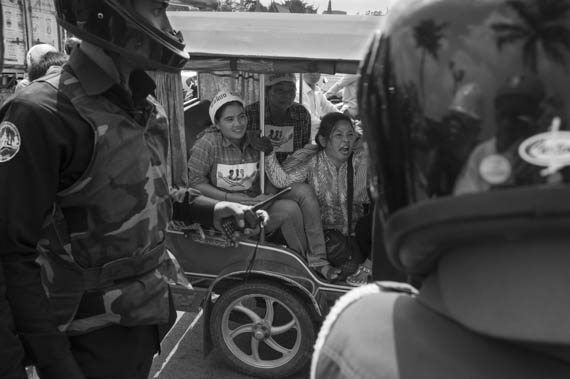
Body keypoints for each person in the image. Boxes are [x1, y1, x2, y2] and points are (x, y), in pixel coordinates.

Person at [0, 1, 263, 378]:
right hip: (83, 339)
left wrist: (211, 209)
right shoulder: (42, 113)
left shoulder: (144, 105)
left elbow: (146, 192)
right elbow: (11, 253)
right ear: (106, 13)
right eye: (154, 8)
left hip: (142, 318)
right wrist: (55, 364)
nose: (165, 26)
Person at [312, 0, 570, 378]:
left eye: (524, 110)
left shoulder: (367, 334)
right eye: (510, 109)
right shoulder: (484, 154)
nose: (517, 119)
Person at [188, 91, 338, 280]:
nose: (238, 124)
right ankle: (305, 271)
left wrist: (267, 154)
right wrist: (230, 199)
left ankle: (318, 261)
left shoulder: (253, 139)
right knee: (290, 210)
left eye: (242, 117)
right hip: (232, 210)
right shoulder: (208, 143)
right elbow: (195, 183)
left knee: (304, 191)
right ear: (217, 124)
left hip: (258, 199)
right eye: (229, 119)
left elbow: (265, 177)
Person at [265, 112, 371, 286]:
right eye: (338, 135)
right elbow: (282, 181)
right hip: (326, 240)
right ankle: (319, 264)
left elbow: (363, 197)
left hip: (352, 243)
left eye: (350, 135)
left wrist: (365, 153)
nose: (346, 141)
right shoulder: (312, 163)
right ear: (323, 141)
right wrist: (269, 154)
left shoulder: (359, 161)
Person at [246, 72, 312, 163]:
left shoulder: (301, 113)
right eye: (280, 90)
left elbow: (306, 150)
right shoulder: (250, 113)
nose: (287, 95)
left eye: (291, 90)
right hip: (259, 173)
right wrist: (247, 138)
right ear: (266, 92)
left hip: (292, 173)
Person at [297, 72, 340, 143]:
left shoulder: (317, 89)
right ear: (302, 71)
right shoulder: (299, 91)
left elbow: (328, 106)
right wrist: (334, 126)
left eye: (317, 71)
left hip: (316, 136)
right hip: (306, 138)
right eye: (310, 70)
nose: (314, 74)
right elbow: (309, 118)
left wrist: (343, 118)